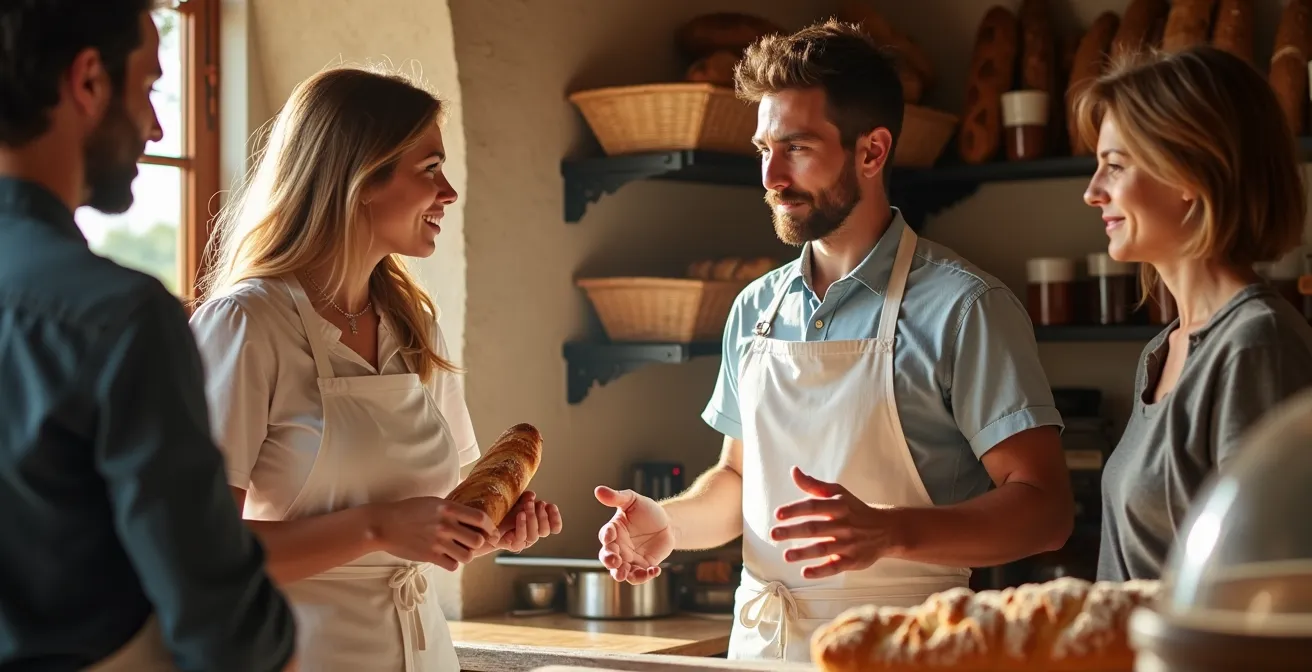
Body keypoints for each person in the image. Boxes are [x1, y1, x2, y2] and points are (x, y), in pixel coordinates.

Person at [593, 20, 1075, 662]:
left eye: (796, 148)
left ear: (872, 152)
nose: (769, 175)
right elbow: (739, 477)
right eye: (764, 147)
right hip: (763, 647)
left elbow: (1046, 512)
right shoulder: (756, 308)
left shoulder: (965, 307)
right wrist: (670, 524)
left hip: (908, 650)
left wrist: (890, 531)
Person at [188, 64, 563, 671]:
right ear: (360, 177)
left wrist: (481, 530)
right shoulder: (246, 324)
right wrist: (378, 528)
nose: (450, 193)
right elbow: (199, 555)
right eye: (431, 169)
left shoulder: (414, 324)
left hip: (422, 655)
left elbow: (427, 518)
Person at [0, 2, 297, 671]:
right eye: (149, 88)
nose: (157, 124)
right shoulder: (120, 319)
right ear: (88, 82)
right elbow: (223, 626)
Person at [1075, 45, 1312, 582]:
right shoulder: (1162, 351)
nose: (1092, 193)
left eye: (1114, 166)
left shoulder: (1256, 347)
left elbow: (1266, 586)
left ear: (1188, 173)